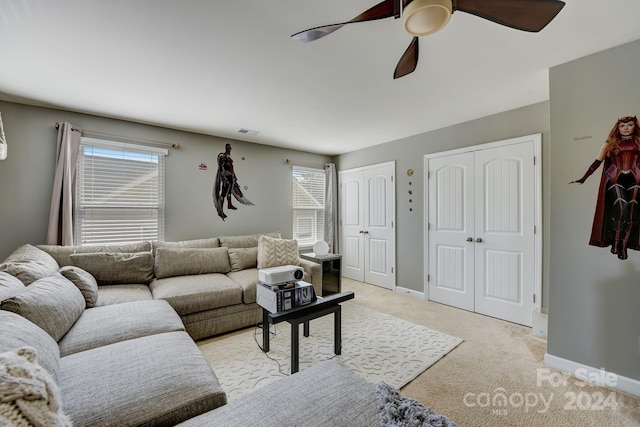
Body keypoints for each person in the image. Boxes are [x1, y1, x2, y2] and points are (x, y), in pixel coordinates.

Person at [570, 116, 640, 260]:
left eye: (630, 124)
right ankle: (615, 242)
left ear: (635, 126)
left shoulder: (639, 141)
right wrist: (584, 178)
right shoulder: (610, 143)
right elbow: (597, 161)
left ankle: (623, 245)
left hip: (636, 180)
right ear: (618, 127)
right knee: (622, 208)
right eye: (623, 125)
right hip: (615, 179)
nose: (626, 127)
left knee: (632, 212)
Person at [213, 143, 253, 220]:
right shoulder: (223, 157)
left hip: (231, 177)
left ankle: (229, 204)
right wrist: (224, 176)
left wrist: (234, 176)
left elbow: (231, 168)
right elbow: (221, 168)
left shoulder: (228, 157)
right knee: (223, 193)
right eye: (228, 148)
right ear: (225, 148)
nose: (229, 149)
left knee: (229, 192)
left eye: (230, 148)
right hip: (226, 177)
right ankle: (220, 211)